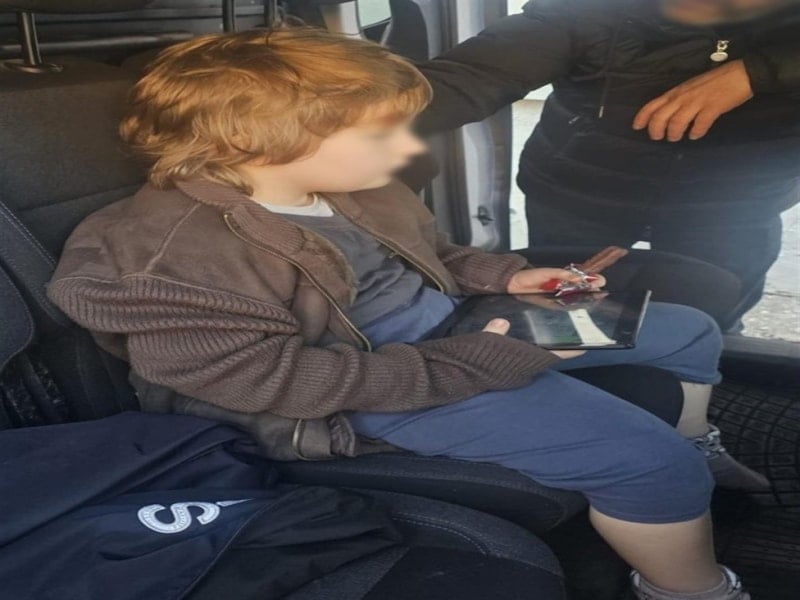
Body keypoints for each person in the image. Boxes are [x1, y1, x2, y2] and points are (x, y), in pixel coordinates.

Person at [48, 28, 755, 600]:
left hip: (450, 332)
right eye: (382, 135)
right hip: (352, 395)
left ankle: (699, 444)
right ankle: (690, 588)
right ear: (254, 141)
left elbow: (434, 254)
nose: (410, 149)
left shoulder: (351, 186)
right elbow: (271, 383)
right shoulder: (169, 256)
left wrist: (508, 278)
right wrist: (480, 364)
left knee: (688, 329)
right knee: (647, 462)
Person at [415, 0, 800, 329]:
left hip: (736, 204)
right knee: (562, 314)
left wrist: (759, 72)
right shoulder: (591, 10)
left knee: (712, 319)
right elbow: (471, 74)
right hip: (580, 192)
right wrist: (380, 117)